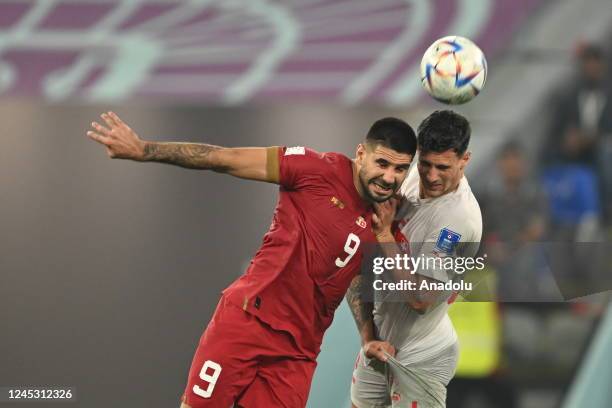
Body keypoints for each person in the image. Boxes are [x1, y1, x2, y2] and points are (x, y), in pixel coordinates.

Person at [86, 112, 417, 408]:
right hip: (247, 320)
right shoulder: (314, 169)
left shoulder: (388, 218)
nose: (389, 178)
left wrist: (368, 334)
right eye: (382, 164)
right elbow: (224, 158)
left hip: (297, 352)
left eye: (400, 169)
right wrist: (144, 150)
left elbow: (389, 288)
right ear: (361, 154)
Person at [346, 110, 482, 408]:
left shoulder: (456, 222)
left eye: (443, 167)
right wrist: (368, 336)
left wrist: (384, 236)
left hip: (422, 355)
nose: (432, 176)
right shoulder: (405, 180)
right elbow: (357, 262)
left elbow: (421, 299)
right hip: (381, 344)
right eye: (426, 164)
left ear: (464, 160)